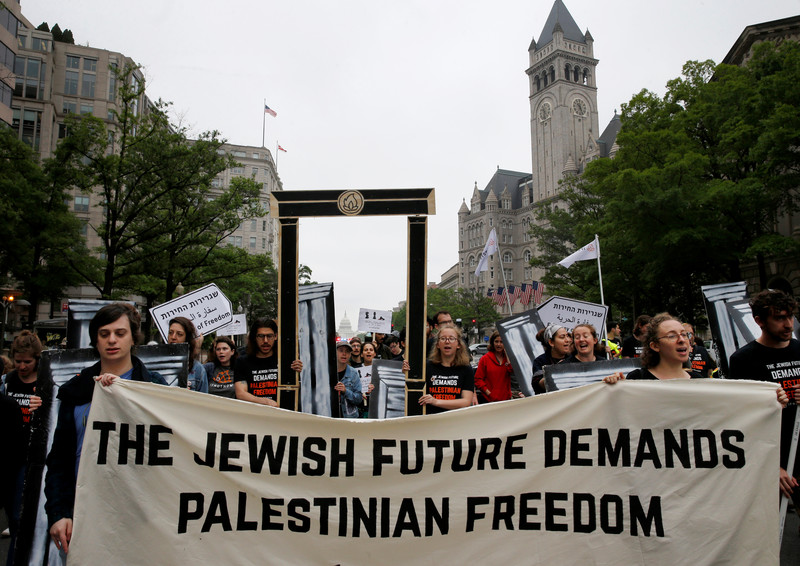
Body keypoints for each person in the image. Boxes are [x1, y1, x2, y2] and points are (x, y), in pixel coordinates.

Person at [45, 303, 167, 556]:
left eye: (120, 333)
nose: (112, 340)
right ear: (96, 340)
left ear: (133, 338)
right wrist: (59, 513)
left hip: (141, 518)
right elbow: (60, 459)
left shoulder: (155, 386)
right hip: (84, 515)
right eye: (104, 334)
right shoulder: (75, 391)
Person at [729, 290, 800, 507]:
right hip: (774, 456)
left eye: (790, 317)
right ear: (759, 321)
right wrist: (772, 465)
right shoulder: (743, 360)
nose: (788, 325)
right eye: (779, 318)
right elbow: (742, 419)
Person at [1, 331, 43, 565]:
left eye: (27, 361)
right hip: (8, 455)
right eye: (18, 361)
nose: (22, 366)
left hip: (29, 457)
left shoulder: (43, 382)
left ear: (37, 359)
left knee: (19, 518)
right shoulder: (7, 382)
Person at [605, 313, 705, 382]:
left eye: (684, 334)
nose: (681, 340)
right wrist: (617, 388)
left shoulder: (698, 380)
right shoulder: (638, 379)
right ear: (655, 346)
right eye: (672, 336)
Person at [234, 318, 302, 407]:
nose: (265, 340)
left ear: (276, 336)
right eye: (261, 336)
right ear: (254, 337)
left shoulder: (285, 359)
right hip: (255, 412)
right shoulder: (242, 362)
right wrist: (264, 402)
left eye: (269, 336)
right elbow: (241, 393)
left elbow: (296, 387)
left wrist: (299, 371)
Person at [420, 323, 474, 413]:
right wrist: (406, 370)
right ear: (437, 344)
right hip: (431, 418)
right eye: (443, 338)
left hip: (455, 418)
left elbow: (466, 402)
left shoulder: (466, 369)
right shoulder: (426, 366)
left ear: (458, 344)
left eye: (451, 338)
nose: (447, 341)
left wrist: (436, 401)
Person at [167, 317, 208, 393]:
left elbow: (203, 399)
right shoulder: (155, 363)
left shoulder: (198, 369)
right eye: (170, 332)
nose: (173, 337)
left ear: (187, 338)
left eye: (179, 334)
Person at [474, 331, 514, 403]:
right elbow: (478, 379)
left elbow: (512, 371)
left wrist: (508, 354)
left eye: (501, 342)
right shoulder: (485, 359)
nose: (499, 344)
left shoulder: (508, 359)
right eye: (496, 341)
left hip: (506, 400)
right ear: (492, 342)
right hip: (489, 400)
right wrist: (488, 393)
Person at [532, 324, 573, 394]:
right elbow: (538, 384)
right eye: (562, 337)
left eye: (567, 336)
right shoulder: (540, 361)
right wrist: (557, 369)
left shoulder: (574, 357)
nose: (568, 340)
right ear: (551, 342)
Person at [333, 340, 363, 418]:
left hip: (348, 418)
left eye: (347, 351)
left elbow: (359, 399)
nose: (344, 354)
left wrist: (345, 391)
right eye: (341, 351)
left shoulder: (353, 373)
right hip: (329, 417)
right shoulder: (326, 372)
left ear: (350, 355)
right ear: (335, 352)